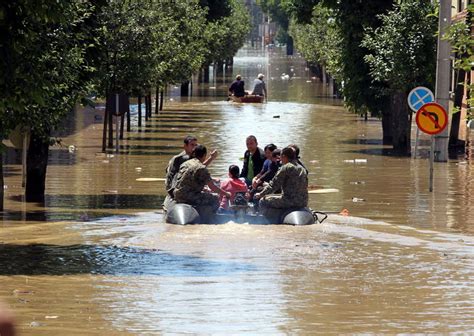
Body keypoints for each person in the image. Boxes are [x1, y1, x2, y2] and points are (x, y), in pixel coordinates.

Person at [173, 145, 230, 211]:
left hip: (177, 195)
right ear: (204, 155)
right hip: (188, 197)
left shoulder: (186, 163)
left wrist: (211, 158)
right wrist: (226, 194)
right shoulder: (201, 168)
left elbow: (198, 168)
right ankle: (210, 218)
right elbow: (213, 187)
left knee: (205, 191)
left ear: (194, 153)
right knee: (215, 198)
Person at [254, 146, 308, 214]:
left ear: (284, 156)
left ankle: (267, 221)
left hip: (289, 201)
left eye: (281, 157)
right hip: (303, 202)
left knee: (263, 201)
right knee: (277, 196)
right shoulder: (302, 169)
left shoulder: (286, 168)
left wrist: (261, 194)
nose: (280, 160)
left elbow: (273, 185)